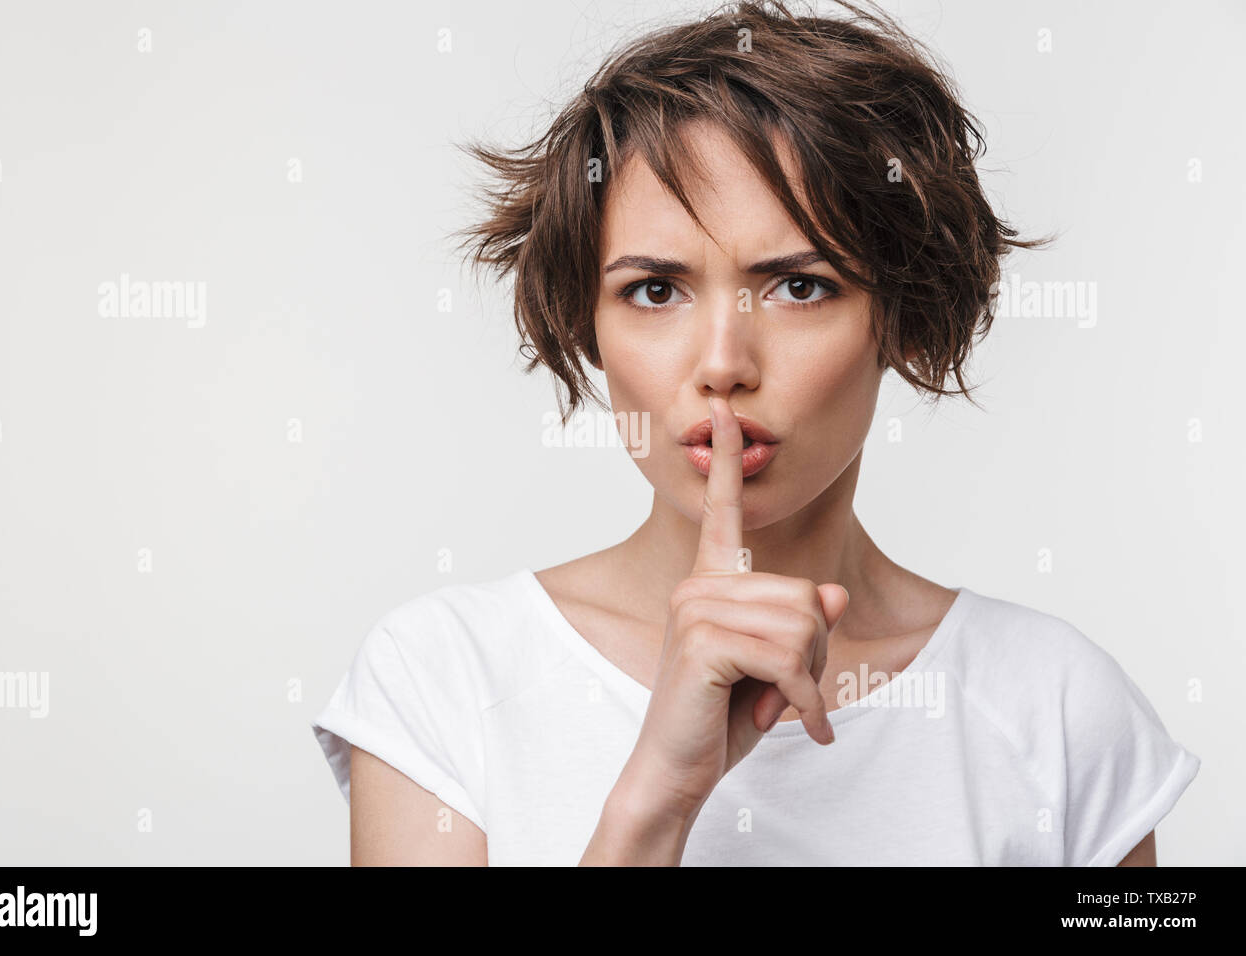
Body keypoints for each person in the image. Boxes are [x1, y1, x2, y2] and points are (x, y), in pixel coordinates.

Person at [311, 0, 1199, 865]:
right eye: (655, 290)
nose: (723, 363)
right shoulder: (444, 677)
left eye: (799, 286)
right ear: (588, 323)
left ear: (906, 320)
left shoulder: (1054, 704)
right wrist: (655, 796)